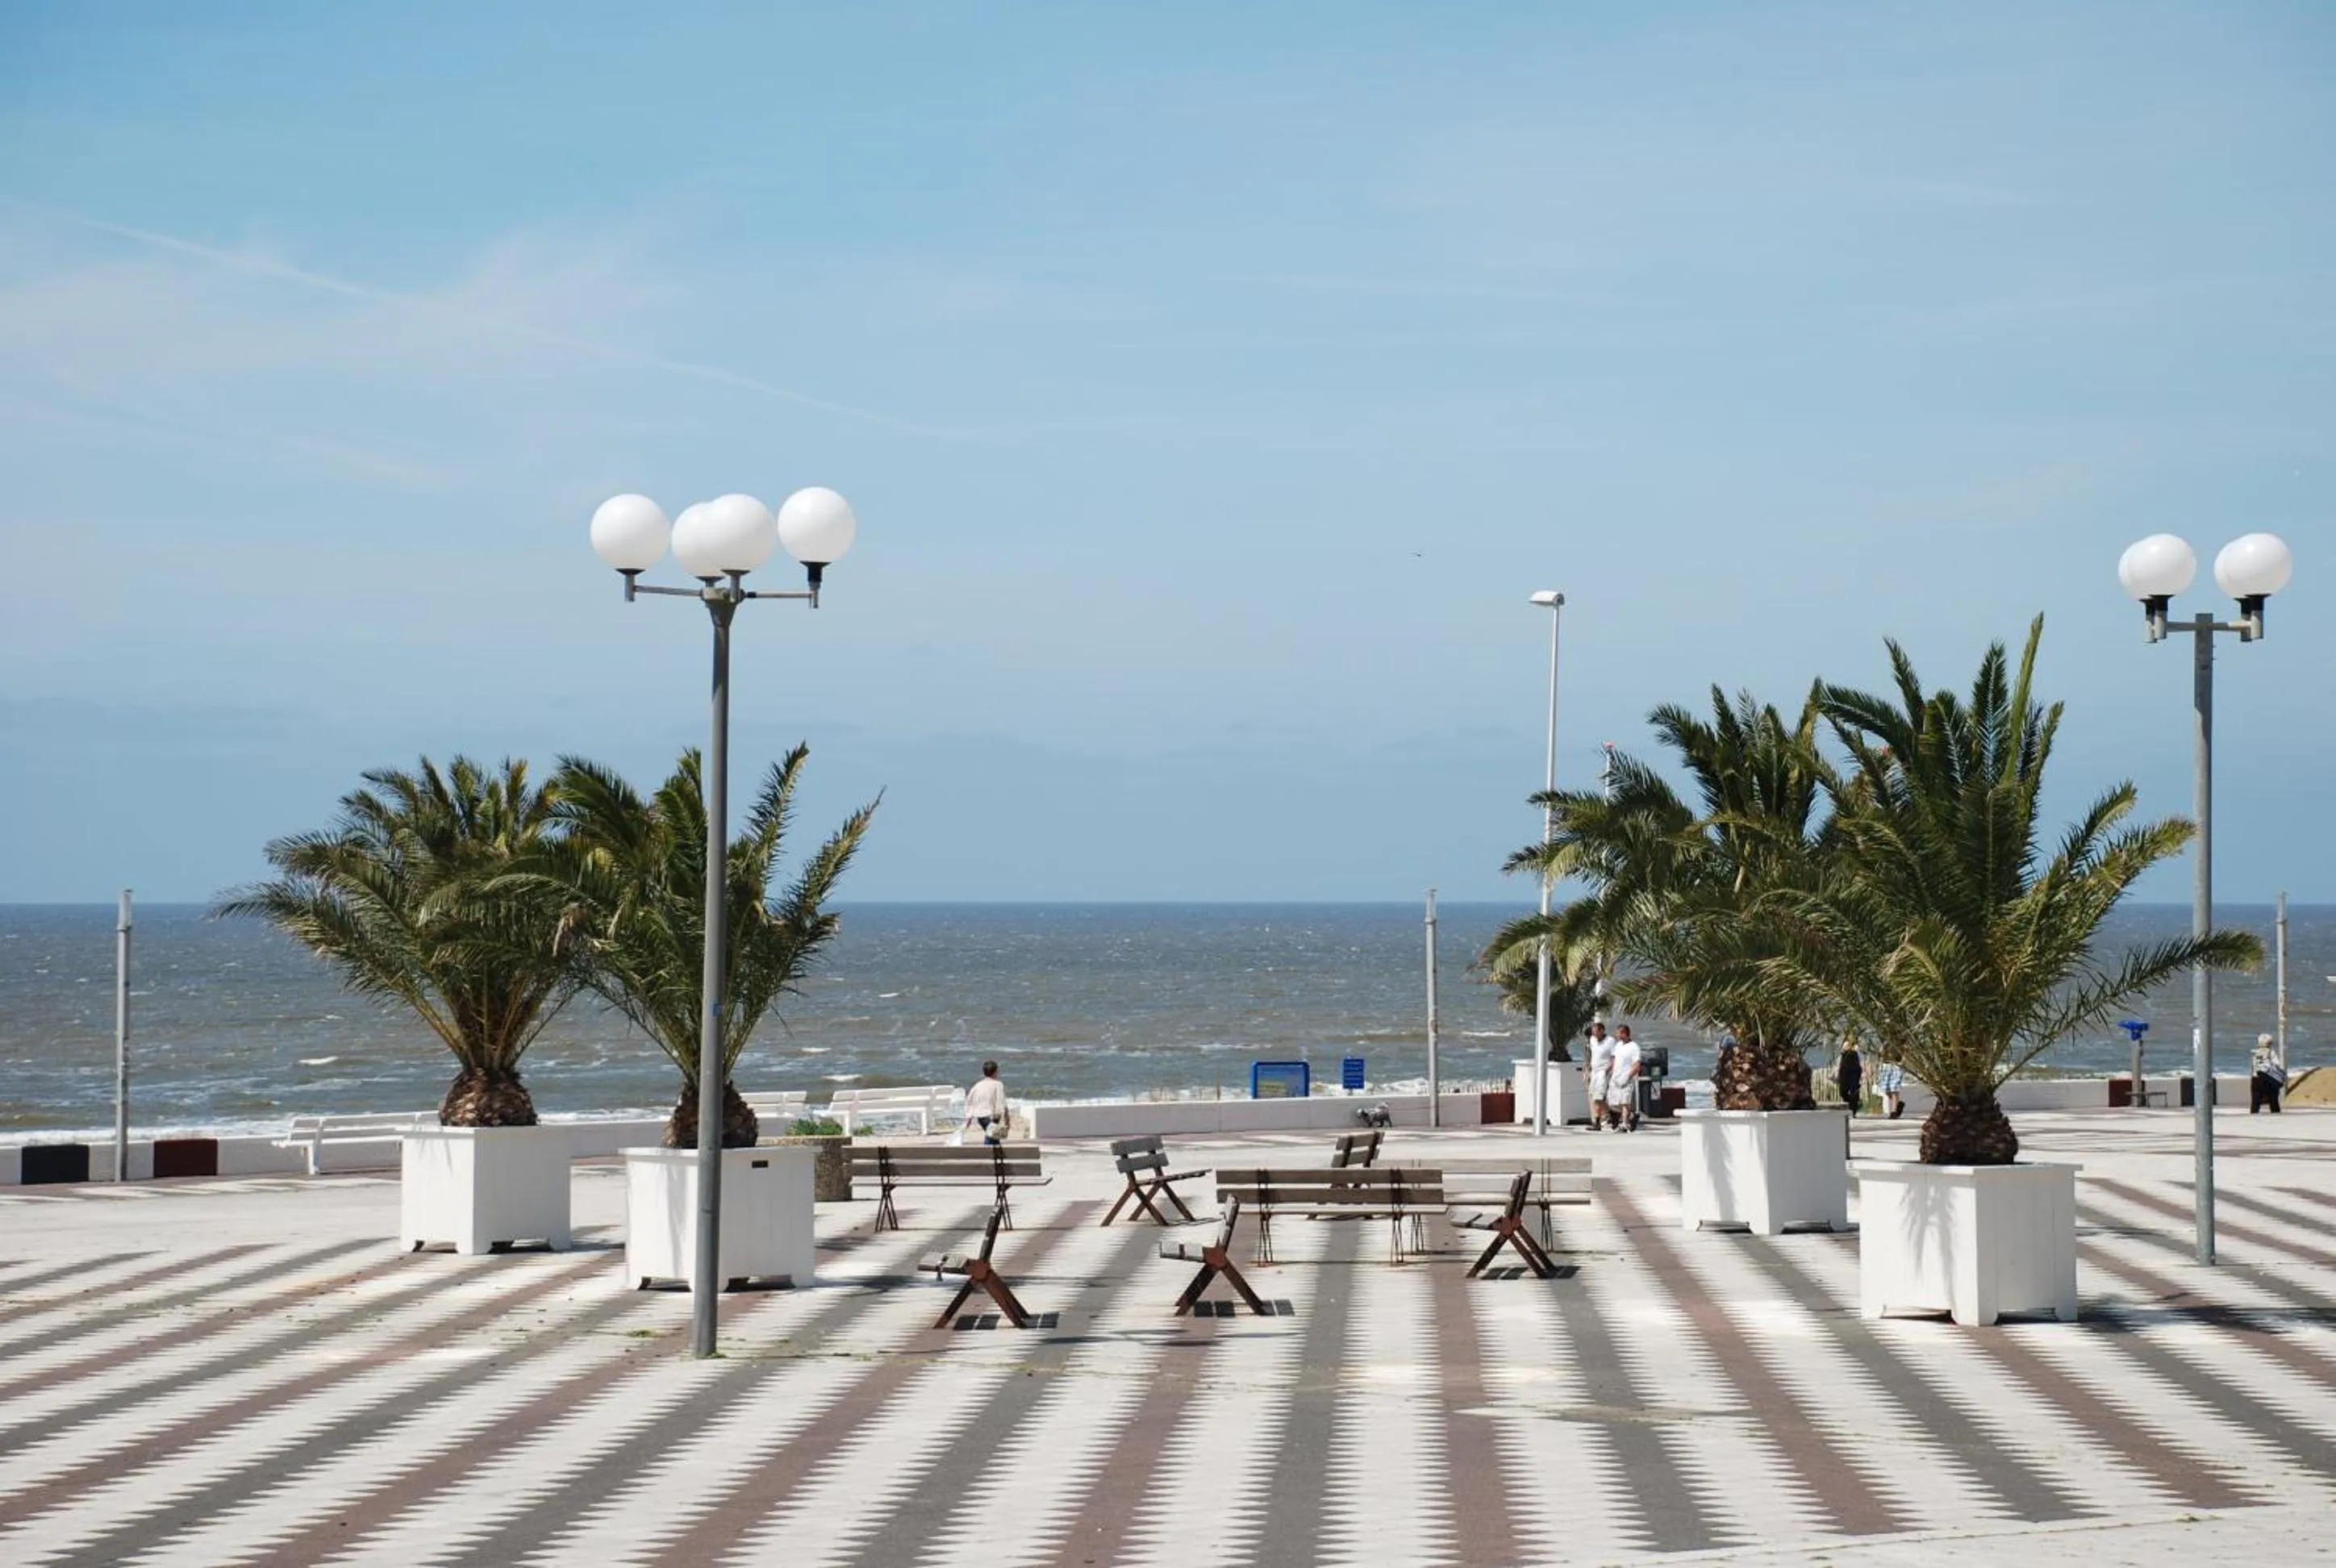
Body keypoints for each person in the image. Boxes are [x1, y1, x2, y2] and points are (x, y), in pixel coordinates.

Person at [1608, 1025, 1643, 1132]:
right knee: (1612, 1103)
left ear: (1624, 1033)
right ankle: (1632, 1116)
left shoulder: (1634, 1047)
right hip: (1615, 1078)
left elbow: (1637, 1065)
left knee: (1625, 1102)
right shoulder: (1618, 1045)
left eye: (1618, 1033)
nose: (1617, 1035)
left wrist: (1628, 1076)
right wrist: (1610, 1071)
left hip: (1627, 1078)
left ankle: (1625, 1124)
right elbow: (1615, 1060)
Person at [965, 1061, 1009, 1144]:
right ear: (995, 1072)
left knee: (994, 1138)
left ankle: (995, 1155)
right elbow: (1001, 1102)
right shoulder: (998, 1084)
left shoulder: (977, 1085)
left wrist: (969, 1118)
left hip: (980, 1117)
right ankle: (986, 1154)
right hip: (992, 1116)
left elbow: (969, 1102)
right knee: (991, 1137)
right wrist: (1006, 1119)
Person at [1584, 1022, 1614, 1130]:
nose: (1594, 1035)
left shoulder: (1610, 1041)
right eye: (1593, 1033)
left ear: (1602, 1031)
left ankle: (1597, 1122)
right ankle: (1611, 1113)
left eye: (1596, 1032)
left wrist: (1609, 1069)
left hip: (1603, 1071)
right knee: (1594, 1096)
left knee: (1599, 1097)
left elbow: (1614, 1057)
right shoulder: (1592, 1040)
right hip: (1594, 1071)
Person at [2251, 1033, 2287, 1115]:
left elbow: (2253, 1066)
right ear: (2269, 1043)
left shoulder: (2256, 1052)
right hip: (2267, 1076)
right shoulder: (2271, 1052)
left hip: (2256, 1078)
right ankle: (2275, 1113)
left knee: (2255, 1100)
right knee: (2273, 1098)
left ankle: (2253, 1114)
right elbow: (2277, 1064)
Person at [1837, 1038, 1864, 1119]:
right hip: (1844, 1073)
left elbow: (1860, 1061)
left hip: (1854, 1072)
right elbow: (1840, 1062)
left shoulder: (1855, 1051)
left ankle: (1853, 1110)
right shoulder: (1844, 1052)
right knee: (1843, 1091)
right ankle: (1851, 1105)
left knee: (1853, 1091)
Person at [1877, 1053, 1906, 1120]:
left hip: (1896, 1064)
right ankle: (1898, 1104)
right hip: (1886, 1065)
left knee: (1894, 1089)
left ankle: (1894, 1112)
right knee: (1886, 1090)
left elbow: (1905, 1050)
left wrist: (1903, 1062)